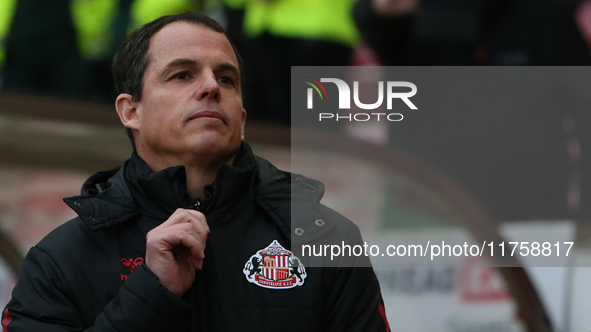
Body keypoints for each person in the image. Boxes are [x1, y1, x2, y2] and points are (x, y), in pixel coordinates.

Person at [1, 12, 390, 331]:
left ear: (241, 116)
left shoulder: (329, 240)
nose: (210, 87)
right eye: (182, 75)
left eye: (226, 78)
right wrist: (151, 294)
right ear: (130, 110)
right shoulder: (60, 259)